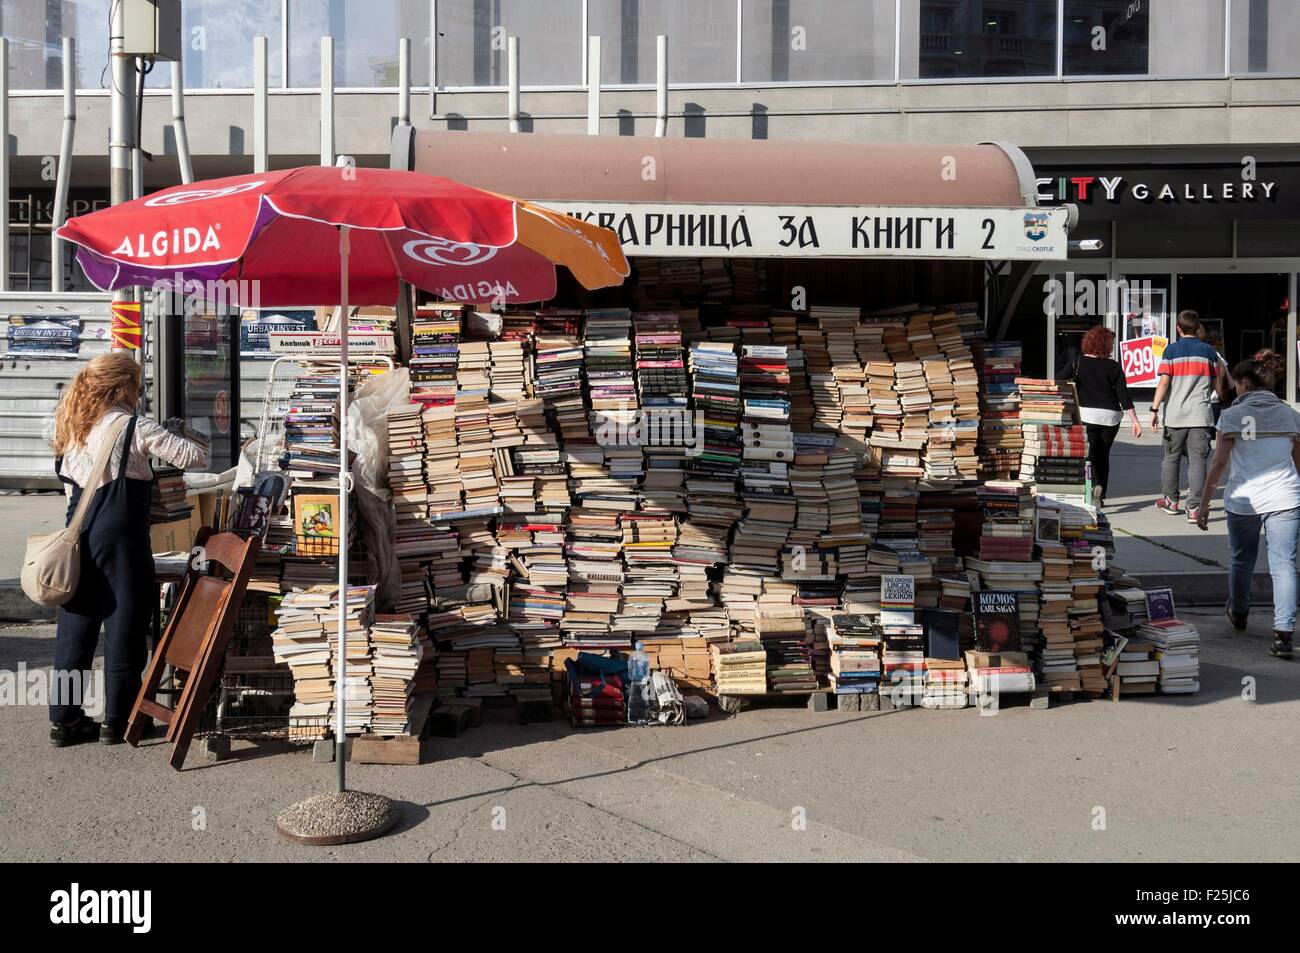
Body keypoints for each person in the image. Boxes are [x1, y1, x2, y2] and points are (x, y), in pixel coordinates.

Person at [48, 353, 209, 746]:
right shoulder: (135, 426)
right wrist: (180, 434)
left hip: (78, 530)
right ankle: (117, 719)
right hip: (121, 534)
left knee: (77, 625)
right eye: (138, 386)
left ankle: (65, 721)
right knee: (124, 624)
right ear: (123, 387)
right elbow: (195, 457)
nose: (140, 393)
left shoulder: (74, 426)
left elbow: (70, 488)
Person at [1197, 358, 1300, 660]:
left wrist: (1203, 504)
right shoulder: (1290, 416)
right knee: (1284, 565)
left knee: (1242, 559)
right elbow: (1298, 461)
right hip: (1286, 498)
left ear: (1243, 384)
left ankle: (1239, 612)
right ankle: (1283, 634)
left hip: (1244, 500)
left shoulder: (1233, 416)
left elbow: (1218, 464)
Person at [1149, 310, 1227, 523]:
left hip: (1175, 416)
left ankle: (1171, 502)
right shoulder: (1209, 352)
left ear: (1178, 328)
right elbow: (1214, 383)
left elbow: (1164, 382)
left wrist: (1154, 409)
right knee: (1198, 461)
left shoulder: (1171, 351)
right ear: (1197, 327)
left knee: (1171, 458)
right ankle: (1194, 508)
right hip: (1201, 415)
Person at [1062, 325, 1141, 505]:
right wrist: (1134, 420)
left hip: (1086, 416)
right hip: (1111, 418)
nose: (1112, 346)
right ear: (1105, 345)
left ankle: (1094, 485)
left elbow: (1058, 380)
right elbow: (1124, 397)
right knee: (1103, 455)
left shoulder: (1077, 362)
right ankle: (1101, 496)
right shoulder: (1114, 367)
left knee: (1089, 455)